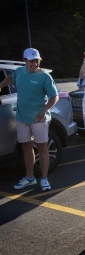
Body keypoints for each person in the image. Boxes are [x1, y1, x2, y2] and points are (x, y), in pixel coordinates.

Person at [0, 48, 59, 191]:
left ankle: (44, 179)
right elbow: (11, 78)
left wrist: (44, 110)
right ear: (25, 60)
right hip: (21, 118)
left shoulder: (44, 77)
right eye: (31, 61)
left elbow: (54, 96)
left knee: (42, 148)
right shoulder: (19, 72)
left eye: (37, 60)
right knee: (26, 147)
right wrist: (1, 85)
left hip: (39, 119)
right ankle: (30, 177)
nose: (35, 63)